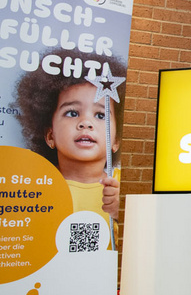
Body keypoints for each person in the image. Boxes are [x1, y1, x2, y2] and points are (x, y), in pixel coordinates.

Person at [14, 49, 124, 227]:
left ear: (116, 140)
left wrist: (123, 212)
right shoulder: (35, 185)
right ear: (50, 135)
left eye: (101, 115)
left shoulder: (123, 187)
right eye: (72, 113)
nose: (86, 123)